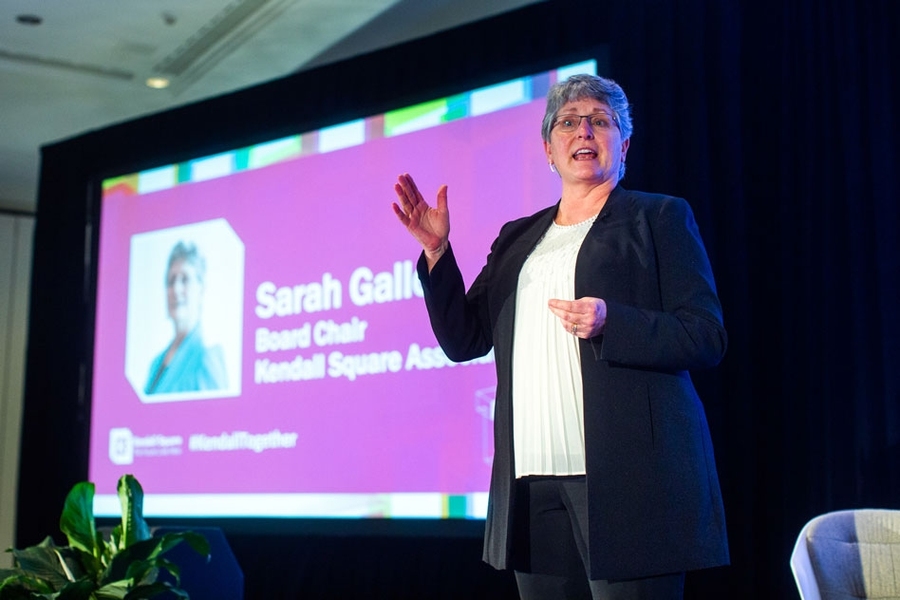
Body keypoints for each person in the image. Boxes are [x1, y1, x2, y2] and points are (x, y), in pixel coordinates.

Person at [392, 74, 728, 600]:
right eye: (568, 123)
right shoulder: (518, 238)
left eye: (600, 121)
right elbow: (465, 340)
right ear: (549, 151)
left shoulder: (658, 217)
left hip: (628, 479)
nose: (583, 131)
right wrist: (437, 253)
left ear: (624, 145)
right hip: (532, 482)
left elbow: (705, 335)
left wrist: (613, 321)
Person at [144, 241, 228, 395]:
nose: (176, 289)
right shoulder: (155, 364)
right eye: (171, 281)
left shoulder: (207, 357)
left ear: (201, 289)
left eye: (184, 280)